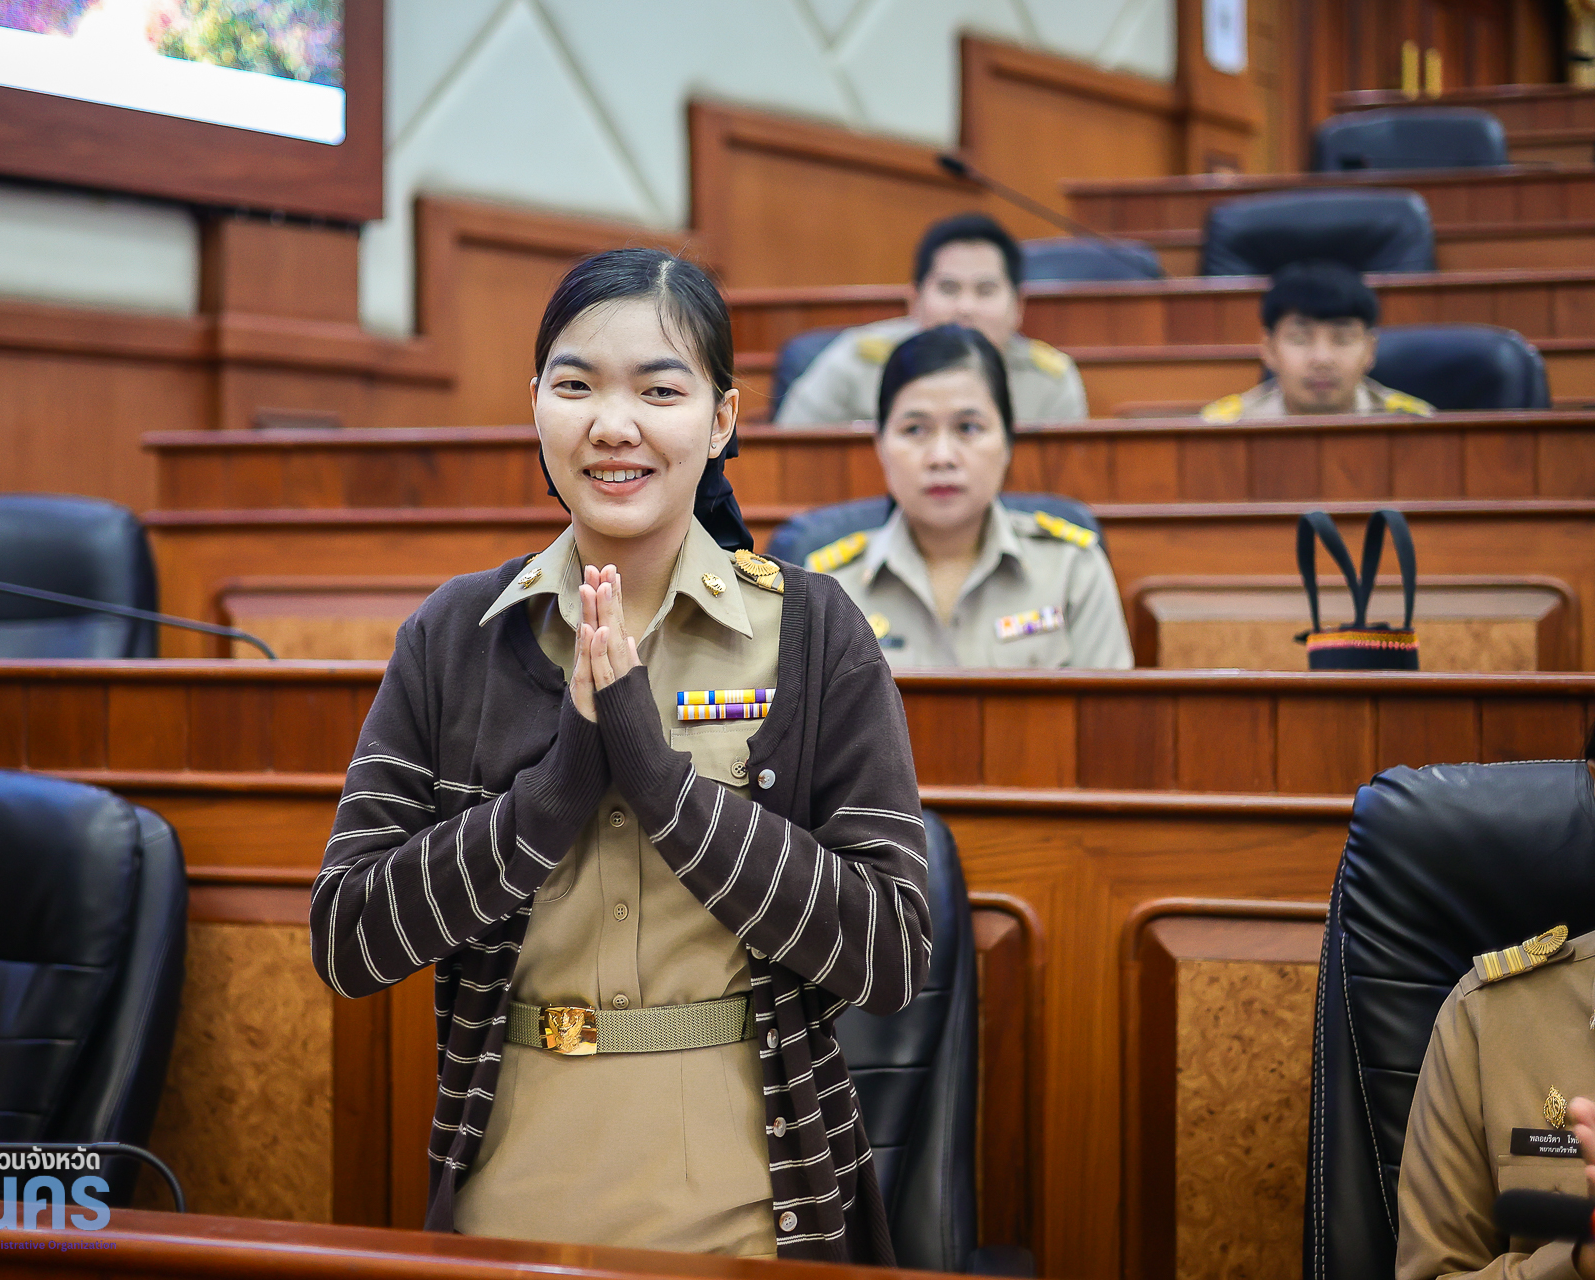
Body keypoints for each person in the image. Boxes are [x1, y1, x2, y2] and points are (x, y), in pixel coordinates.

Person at [311, 248, 931, 1264]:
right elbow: (348, 940)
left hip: (753, 1208)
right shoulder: (455, 634)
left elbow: (893, 955)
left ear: (722, 419)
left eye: (659, 389)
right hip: (507, 1196)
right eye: (576, 386)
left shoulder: (816, 631)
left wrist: (660, 783)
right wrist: (554, 792)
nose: (612, 424)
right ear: (535, 405)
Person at [805, 325, 1132, 669]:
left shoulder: (1073, 571)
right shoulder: (827, 589)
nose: (941, 457)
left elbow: (1108, 704)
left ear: (1007, 442)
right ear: (880, 446)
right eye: (914, 429)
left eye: (968, 428)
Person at [775, 212, 1088, 426]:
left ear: (1018, 306)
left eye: (985, 290)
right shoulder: (856, 363)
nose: (965, 307)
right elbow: (790, 457)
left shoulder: (1050, 382)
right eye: (949, 288)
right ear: (915, 301)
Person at [1201, 260, 1434, 423]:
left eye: (1342, 339)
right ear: (1269, 349)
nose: (1322, 359)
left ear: (1370, 349)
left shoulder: (1416, 425)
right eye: (1300, 339)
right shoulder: (1222, 429)